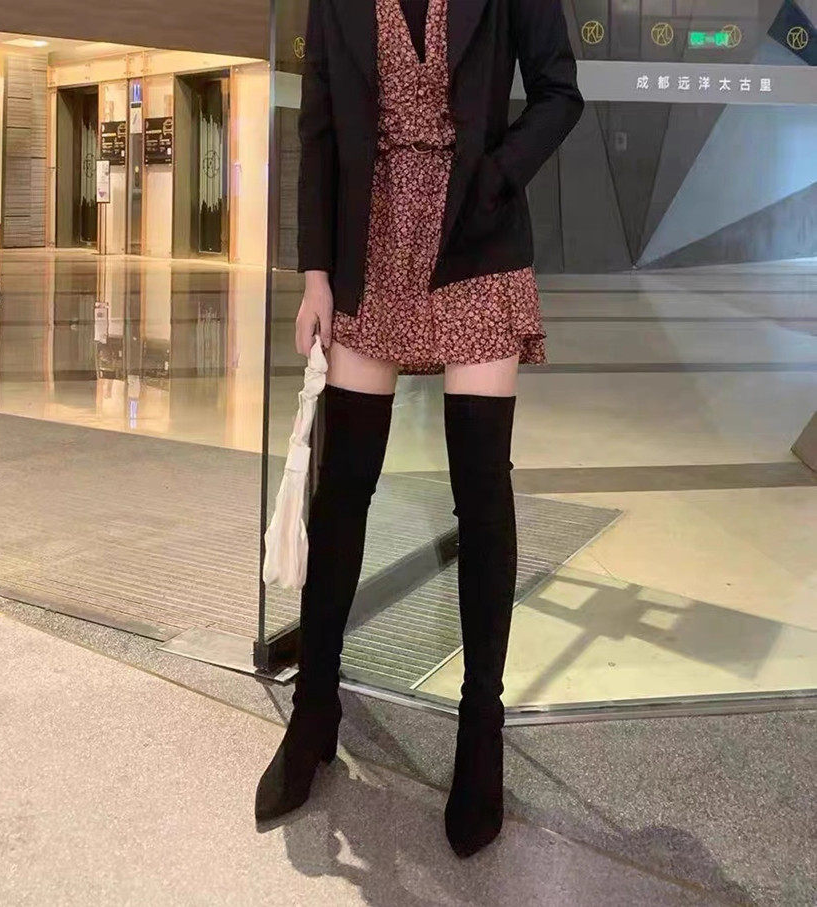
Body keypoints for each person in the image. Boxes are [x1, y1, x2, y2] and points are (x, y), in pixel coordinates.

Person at [256, 0, 583, 858]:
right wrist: (316, 273)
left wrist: (498, 174)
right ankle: (314, 710)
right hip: (369, 244)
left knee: (482, 496)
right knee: (342, 491)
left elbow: (560, 92)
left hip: (476, 239)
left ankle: (480, 731)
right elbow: (319, 128)